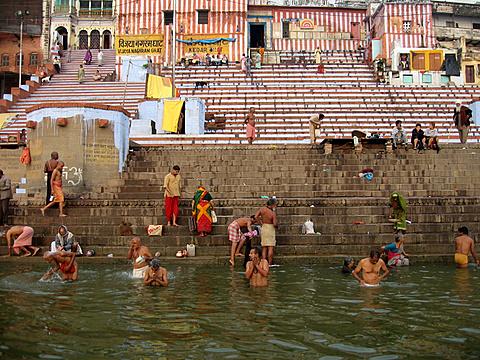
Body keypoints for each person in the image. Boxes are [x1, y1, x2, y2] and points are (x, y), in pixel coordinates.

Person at [255, 198, 278, 265]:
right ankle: (269, 264)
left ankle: (263, 263)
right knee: (270, 247)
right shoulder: (272, 213)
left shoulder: (262, 209)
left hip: (264, 227)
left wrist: (260, 223)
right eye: (275, 205)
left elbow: (256, 216)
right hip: (270, 229)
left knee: (264, 247)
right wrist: (277, 226)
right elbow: (274, 224)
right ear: (272, 205)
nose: (275, 206)